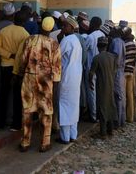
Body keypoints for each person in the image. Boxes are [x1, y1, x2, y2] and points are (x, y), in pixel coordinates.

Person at [18, 17, 61, 153]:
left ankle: (25, 142)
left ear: (41, 26)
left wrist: (21, 74)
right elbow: (57, 68)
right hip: (45, 82)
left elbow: (23, 59)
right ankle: (45, 143)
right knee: (46, 112)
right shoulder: (54, 44)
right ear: (52, 29)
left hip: (29, 79)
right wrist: (55, 82)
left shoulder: (30, 40)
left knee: (27, 111)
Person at [0, 10, 29, 131]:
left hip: (5, 66)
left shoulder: (4, 30)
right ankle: (16, 124)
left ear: (14, 18)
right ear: (25, 21)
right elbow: (24, 55)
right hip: (18, 69)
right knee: (17, 96)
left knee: (3, 94)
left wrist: (8, 55)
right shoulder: (26, 35)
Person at [56, 16, 83, 144]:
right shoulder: (76, 40)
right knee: (73, 105)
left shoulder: (67, 40)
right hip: (76, 76)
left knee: (65, 105)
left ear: (72, 27)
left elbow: (57, 56)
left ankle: (64, 137)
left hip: (67, 76)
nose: (63, 27)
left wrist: (59, 41)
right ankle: (73, 135)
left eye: (65, 26)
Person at [0, 3, 15, 123]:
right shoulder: (15, 27)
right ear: (13, 14)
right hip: (10, 63)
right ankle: (9, 116)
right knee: (10, 91)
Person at [89, 37, 117, 139]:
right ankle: (111, 130)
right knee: (110, 105)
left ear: (97, 46)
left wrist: (90, 83)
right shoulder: (113, 57)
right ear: (106, 46)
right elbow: (115, 70)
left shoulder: (97, 58)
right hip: (111, 84)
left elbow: (91, 73)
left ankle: (103, 132)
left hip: (101, 85)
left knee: (102, 107)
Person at [84, 17, 104, 122]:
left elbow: (84, 50)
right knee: (98, 91)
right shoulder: (102, 35)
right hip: (100, 68)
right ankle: (98, 113)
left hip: (91, 67)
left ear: (92, 24)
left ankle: (93, 116)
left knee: (91, 92)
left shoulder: (90, 37)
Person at [108, 26, 126, 128]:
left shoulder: (116, 42)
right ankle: (121, 120)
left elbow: (116, 56)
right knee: (120, 96)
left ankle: (117, 122)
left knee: (118, 97)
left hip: (117, 71)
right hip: (120, 71)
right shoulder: (121, 41)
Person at [123, 27, 136, 123]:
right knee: (130, 95)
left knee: (123, 95)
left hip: (124, 72)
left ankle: (123, 117)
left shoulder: (125, 44)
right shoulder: (134, 45)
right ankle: (130, 117)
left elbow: (123, 59)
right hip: (131, 71)